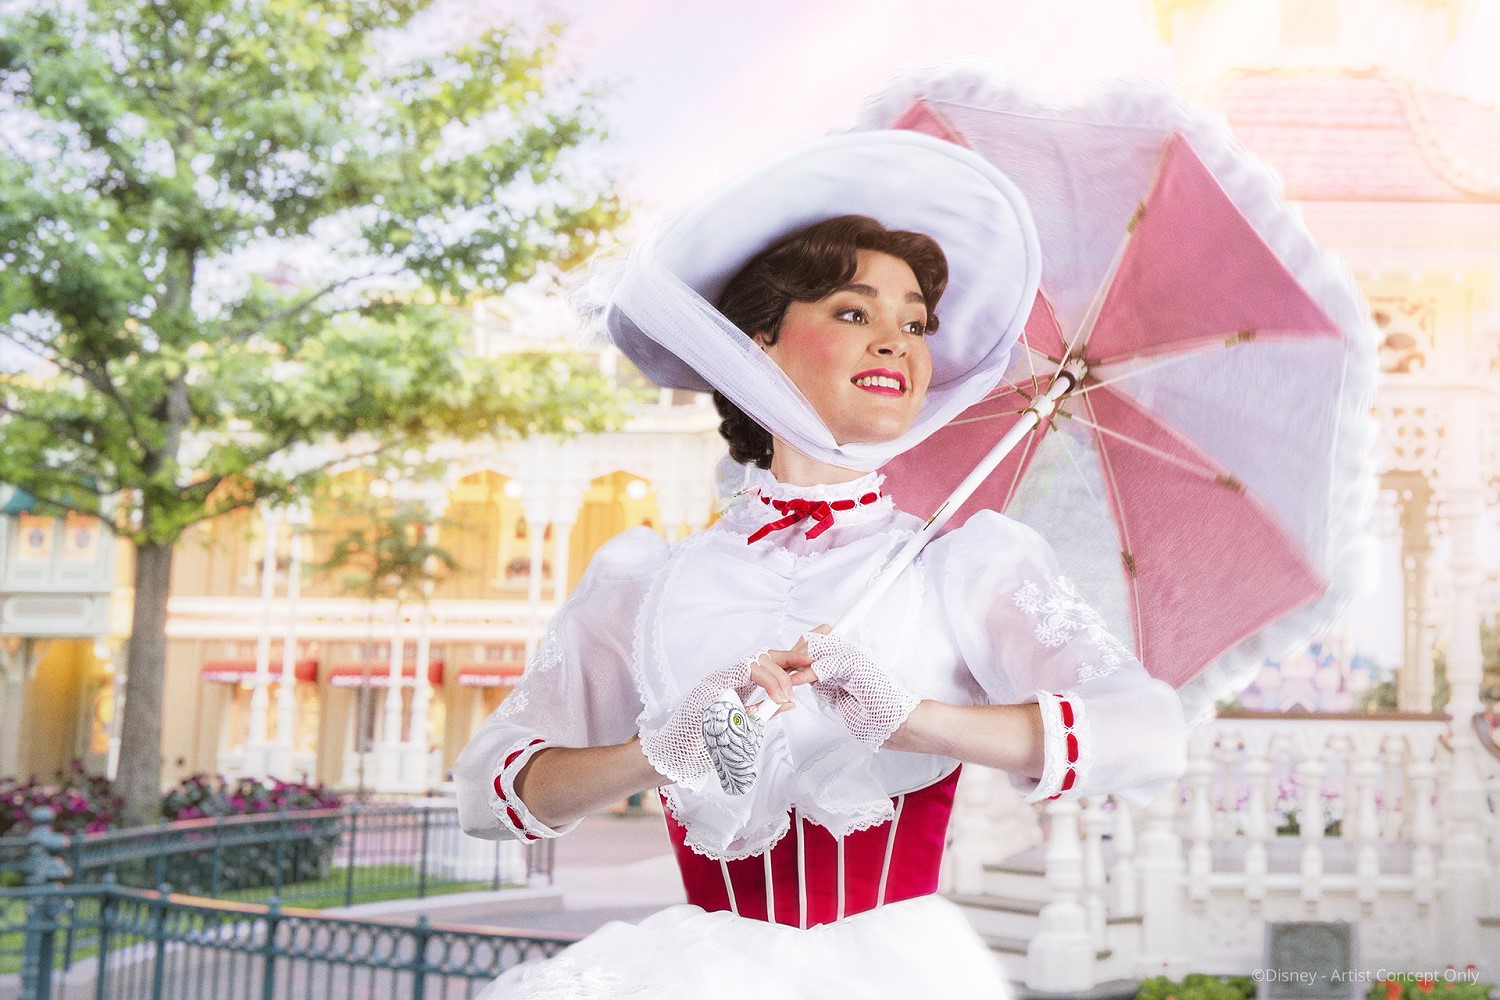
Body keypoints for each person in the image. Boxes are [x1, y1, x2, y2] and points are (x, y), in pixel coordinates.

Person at [455, 130, 1188, 998]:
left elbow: (1150, 737)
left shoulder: (961, 565)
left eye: (915, 322)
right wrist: (662, 746)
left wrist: (912, 719)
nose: (898, 343)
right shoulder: (644, 582)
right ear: (756, 342)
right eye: (854, 313)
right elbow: (491, 798)